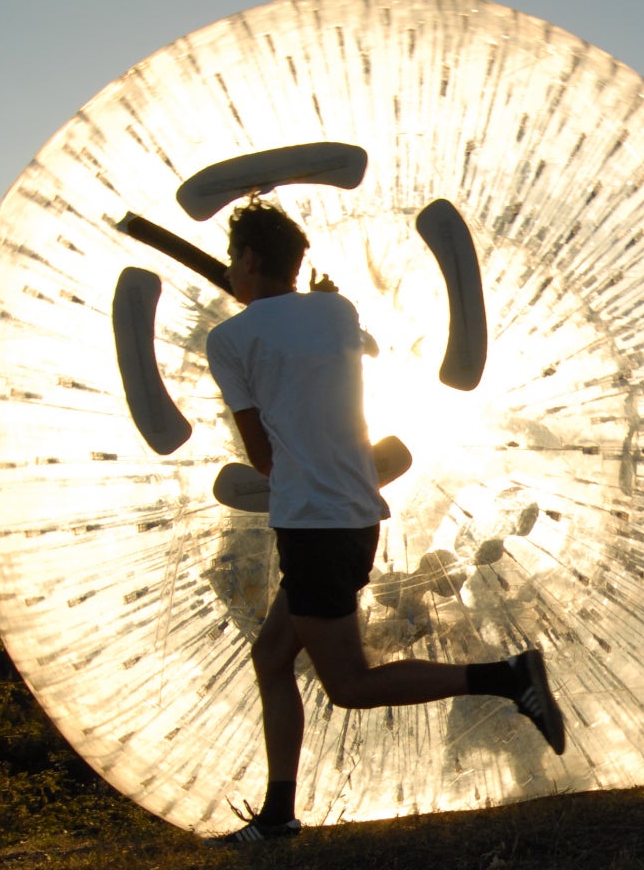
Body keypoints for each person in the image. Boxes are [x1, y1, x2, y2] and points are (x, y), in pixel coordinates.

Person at [202, 200, 564, 844]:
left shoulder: (228, 342)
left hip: (312, 525)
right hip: (353, 516)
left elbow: (262, 456)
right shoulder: (337, 312)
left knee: (348, 685)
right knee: (272, 656)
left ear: (251, 260)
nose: (231, 268)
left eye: (235, 258)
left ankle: (508, 678)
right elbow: (326, 351)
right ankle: (279, 815)